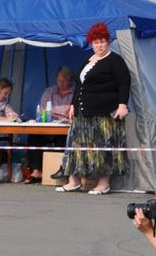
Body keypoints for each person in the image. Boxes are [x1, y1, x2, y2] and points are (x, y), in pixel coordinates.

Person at [56, 22, 130, 195]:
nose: (99, 45)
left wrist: (122, 105)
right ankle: (74, 181)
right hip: (83, 112)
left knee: (103, 147)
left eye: (102, 42)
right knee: (77, 147)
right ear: (91, 43)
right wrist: (73, 105)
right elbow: (79, 85)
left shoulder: (115, 60)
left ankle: (103, 184)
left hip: (104, 113)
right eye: (96, 42)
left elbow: (124, 82)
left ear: (108, 42)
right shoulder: (89, 60)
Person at [24, 66, 75, 183]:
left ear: (70, 80)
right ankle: (37, 171)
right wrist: (63, 110)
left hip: (64, 130)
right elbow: (43, 110)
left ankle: (61, 171)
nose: (61, 84)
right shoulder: (49, 91)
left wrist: (53, 110)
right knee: (33, 138)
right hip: (48, 129)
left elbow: (73, 112)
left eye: (64, 81)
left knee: (65, 140)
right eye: (59, 81)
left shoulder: (75, 92)